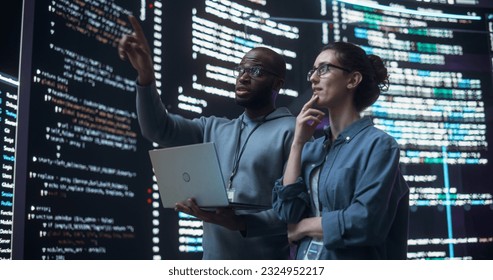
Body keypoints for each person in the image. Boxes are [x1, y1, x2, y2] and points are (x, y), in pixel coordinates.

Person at [118, 15, 295, 259]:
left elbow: (297, 212)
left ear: (278, 84)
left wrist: (240, 223)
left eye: (256, 70)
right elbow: (157, 129)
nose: (243, 77)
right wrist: (146, 75)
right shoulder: (212, 128)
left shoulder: (293, 131)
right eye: (241, 69)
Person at [272, 42, 409, 259]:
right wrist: (298, 144)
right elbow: (287, 213)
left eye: (324, 69)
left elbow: (366, 222)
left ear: (353, 80)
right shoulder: (312, 148)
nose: (313, 78)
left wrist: (304, 226)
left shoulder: (379, 145)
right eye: (313, 70)